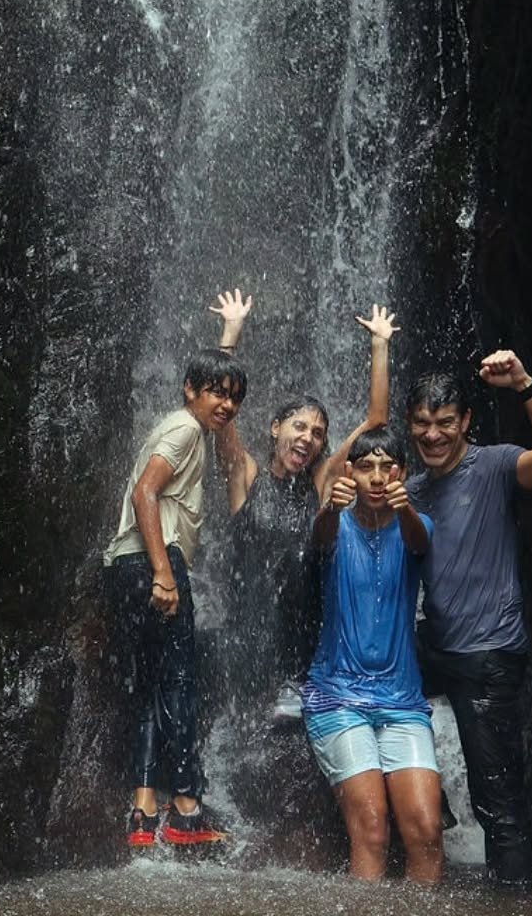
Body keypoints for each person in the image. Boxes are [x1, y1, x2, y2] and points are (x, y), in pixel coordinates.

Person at [405, 350, 532, 883]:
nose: (432, 435)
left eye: (444, 422)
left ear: (465, 422)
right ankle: (431, 799)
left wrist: (525, 384)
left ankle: (517, 895)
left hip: (489, 655)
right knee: (372, 678)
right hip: (436, 646)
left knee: (498, 802)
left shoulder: (495, 465)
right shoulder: (411, 492)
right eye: (421, 423)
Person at [211, 292, 399, 718]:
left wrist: (379, 345)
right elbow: (221, 413)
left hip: (302, 641)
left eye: (317, 433)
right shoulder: (245, 474)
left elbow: (376, 422)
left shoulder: (321, 481)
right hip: (246, 631)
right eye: (299, 426)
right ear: (276, 428)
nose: (307, 438)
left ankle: (297, 687)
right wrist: (230, 333)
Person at [102, 335, 247, 848]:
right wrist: (164, 573)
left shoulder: (177, 426)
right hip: (156, 560)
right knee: (181, 683)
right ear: (190, 389)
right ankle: (186, 808)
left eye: (234, 398)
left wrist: (229, 338)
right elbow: (146, 490)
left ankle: (143, 811)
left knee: (149, 686)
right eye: (217, 393)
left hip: (126, 563)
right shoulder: (186, 429)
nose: (226, 405)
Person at [301, 429, 446, 883]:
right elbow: (319, 538)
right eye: (367, 468)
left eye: (388, 468)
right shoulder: (335, 525)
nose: (378, 477)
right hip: (338, 697)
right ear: (350, 472)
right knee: (372, 829)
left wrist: (404, 508)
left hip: (402, 702)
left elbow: (419, 541)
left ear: (402, 473)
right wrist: (331, 506)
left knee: (427, 831)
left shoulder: (416, 524)